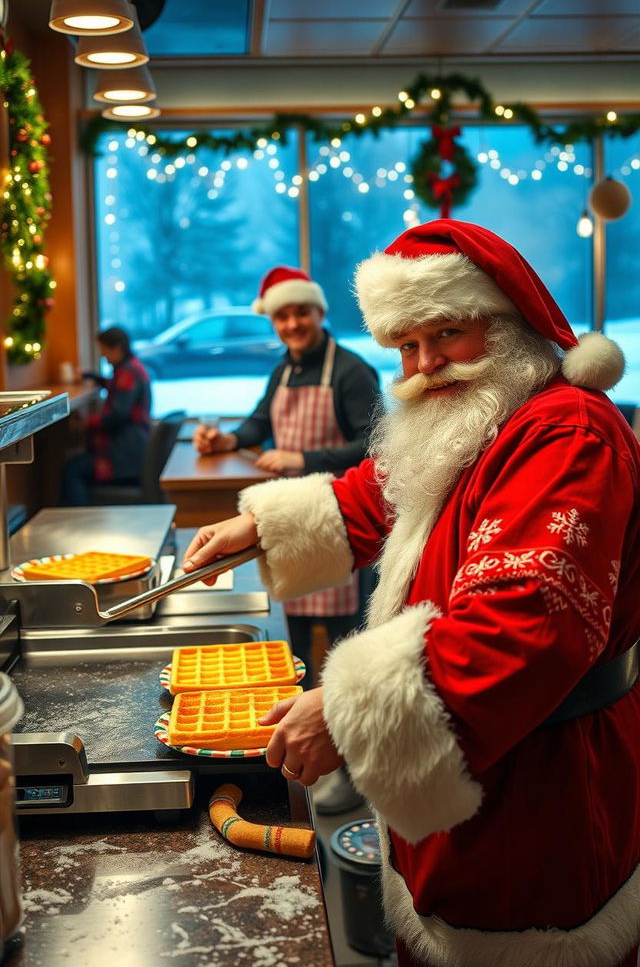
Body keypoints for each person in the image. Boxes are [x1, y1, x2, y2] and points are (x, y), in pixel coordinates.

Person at [183, 220, 640, 967]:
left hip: (542, 788)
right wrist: (257, 528)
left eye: (447, 333)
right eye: (406, 346)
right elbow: (386, 490)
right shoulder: (487, 414)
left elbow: (525, 623)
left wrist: (345, 706)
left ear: (510, 323)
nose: (426, 364)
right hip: (470, 772)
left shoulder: (567, 435)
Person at [193, 267, 380, 679]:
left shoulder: (352, 371)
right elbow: (259, 422)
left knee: (345, 650)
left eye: (301, 313)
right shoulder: (283, 370)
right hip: (288, 524)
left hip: (341, 522)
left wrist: (303, 459)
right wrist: (227, 439)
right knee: (292, 642)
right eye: (282, 317)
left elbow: (376, 447)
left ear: (318, 313)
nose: (292, 324)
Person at [60, 326, 151, 506]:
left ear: (116, 348)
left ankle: (78, 521)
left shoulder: (127, 373)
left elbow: (116, 416)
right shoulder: (132, 368)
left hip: (125, 455)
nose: (103, 356)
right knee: (75, 464)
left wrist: (86, 423)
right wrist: (91, 376)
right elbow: (114, 387)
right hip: (134, 449)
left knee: (72, 470)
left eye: (104, 351)